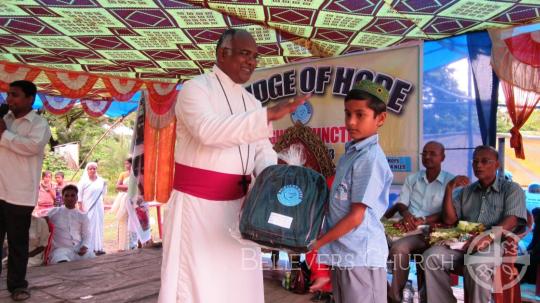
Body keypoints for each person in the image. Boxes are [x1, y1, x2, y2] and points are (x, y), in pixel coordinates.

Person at [157, 28, 309, 303]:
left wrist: (274, 183)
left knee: (238, 290)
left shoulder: (252, 101)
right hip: (198, 209)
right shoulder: (195, 88)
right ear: (222, 53)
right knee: (196, 288)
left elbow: (262, 150)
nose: (251, 62)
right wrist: (269, 115)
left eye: (255, 56)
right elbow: (208, 131)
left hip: (242, 213)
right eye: (244, 54)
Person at [310, 80, 393, 303]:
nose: (351, 122)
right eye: (347, 114)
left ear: (381, 118)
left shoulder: (370, 158)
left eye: (360, 114)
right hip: (343, 254)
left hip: (360, 256)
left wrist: (317, 243)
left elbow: (357, 217)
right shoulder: (351, 154)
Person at [422, 145, 527, 303]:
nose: (478, 165)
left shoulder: (511, 189)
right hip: (465, 241)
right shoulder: (467, 191)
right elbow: (450, 220)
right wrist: (449, 189)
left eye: (485, 161)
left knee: (475, 263)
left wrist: (487, 236)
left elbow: (512, 220)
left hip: (498, 243)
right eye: (475, 161)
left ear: (496, 165)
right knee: (430, 257)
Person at [384, 141, 454, 303]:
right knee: (373, 241)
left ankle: (394, 297)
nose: (427, 157)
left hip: (430, 231)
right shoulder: (413, 179)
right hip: (407, 227)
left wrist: (422, 220)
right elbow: (401, 203)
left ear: (442, 157)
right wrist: (407, 215)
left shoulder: (451, 181)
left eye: (433, 153)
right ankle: (387, 292)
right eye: (425, 153)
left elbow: (449, 214)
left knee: (399, 248)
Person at [0, 80, 51, 301]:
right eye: (8, 95)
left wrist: (4, 135)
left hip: (19, 195)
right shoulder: (5, 120)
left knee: (17, 244)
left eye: (15, 95)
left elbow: (32, 147)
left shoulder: (39, 124)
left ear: (30, 99)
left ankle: (17, 286)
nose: (9, 99)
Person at [46, 185, 94, 264]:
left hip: (78, 250)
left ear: (77, 198)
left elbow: (87, 234)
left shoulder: (82, 215)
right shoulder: (54, 212)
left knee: (92, 258)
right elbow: (42, 221)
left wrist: (84, 246)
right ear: (62, 198)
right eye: (66, 196)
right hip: (60, 250)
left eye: (72, 195)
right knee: (62, 262)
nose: (69, 198)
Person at [77, 162, 106, 255]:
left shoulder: (101, 180)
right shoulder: (83, 182)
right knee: (89, 227)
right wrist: (81, 208)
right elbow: (79, 196)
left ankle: (98, 247)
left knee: (99, 225)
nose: (92, 170)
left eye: (94, 168)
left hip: (99, 207)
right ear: (87, 170)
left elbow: (104, 193)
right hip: (87, 207)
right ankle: (88, 248)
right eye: (90, 169)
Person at [110, 158, 137, 251]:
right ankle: (122, 246)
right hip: (123, 198)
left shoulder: (137, 174)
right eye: (125, 164)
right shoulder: (123, 174)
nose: (126, 166)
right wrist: (129, 188)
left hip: (133, 198)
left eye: (128, 164)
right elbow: (117, 186)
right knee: (123, 220)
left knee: (133, 220)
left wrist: (130, 188)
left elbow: (138, 187)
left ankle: (133, 244)